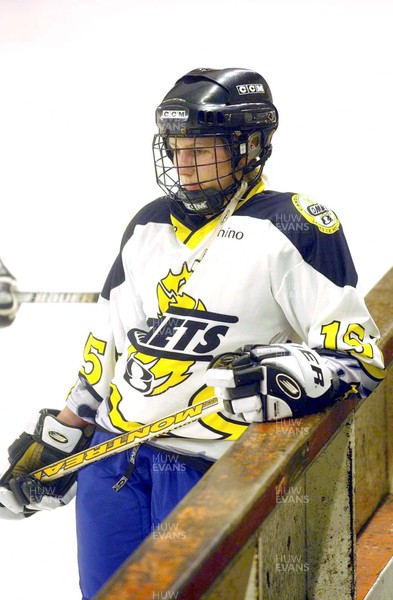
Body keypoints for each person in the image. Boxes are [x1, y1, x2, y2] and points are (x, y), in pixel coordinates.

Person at [0, 67, 386, 599]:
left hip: (211, 469)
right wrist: (67, 431)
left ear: (249, 146)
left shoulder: (294, 226)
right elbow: (108, 343)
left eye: (201, 150)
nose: (184, 166)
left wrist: (290, 374)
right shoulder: (148, 224)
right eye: (177, 149)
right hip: (113, 463)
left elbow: (358, 362)